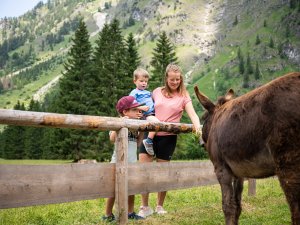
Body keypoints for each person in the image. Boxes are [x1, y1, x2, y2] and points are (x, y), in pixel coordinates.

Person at [137, 63, 202, 218]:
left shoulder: (184, 96)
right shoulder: (156, 91)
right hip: (149, 136)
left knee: (163, 174)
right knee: (144, 172)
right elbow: (146, 107)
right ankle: (144, 206)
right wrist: (137, 113)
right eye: (172, 79)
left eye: (177, 79)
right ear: (166, 78)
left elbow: (193, 114)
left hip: (168, 139)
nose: (175, 82)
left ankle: (159, 206)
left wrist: (198, 128)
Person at [102, 96, 145, 222]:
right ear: (125, 112)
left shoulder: (135, 125)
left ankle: (130, 212)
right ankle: (108, 214)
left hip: (132, 161)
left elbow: (137, 143)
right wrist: (121, 123)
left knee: (131, 188)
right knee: (113, 189)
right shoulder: (117, 122)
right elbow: (111, 139)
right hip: (117, 161)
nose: (139, 112)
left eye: (139, 110)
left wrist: (141, 130)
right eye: (135, 110)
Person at [129, 68, 160, 156]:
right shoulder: (134, 92)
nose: (144, 83)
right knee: (157, 123)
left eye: (146, 81)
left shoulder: (147, 92)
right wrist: (141, 107)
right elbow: (130, 104)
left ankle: (145, 141)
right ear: (135, 81)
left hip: (151, 113)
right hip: (144, 115)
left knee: (156, 124)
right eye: (141, 81)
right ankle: (148, 141)